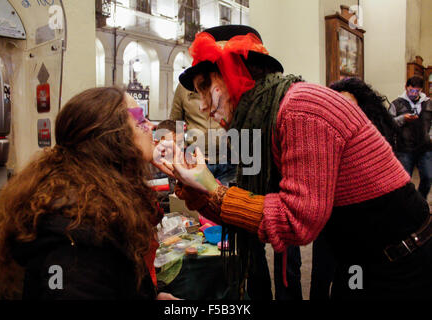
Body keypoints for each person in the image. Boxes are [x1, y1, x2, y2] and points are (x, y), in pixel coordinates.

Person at [163, 25, 431, 300]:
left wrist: (214, 189)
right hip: (359, 253)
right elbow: (257, 205)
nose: (204, 106)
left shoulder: (299, 108)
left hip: (399, 260)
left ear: (233, 73)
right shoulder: (269, 115)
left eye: (205, 87)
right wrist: (201, 191)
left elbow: (295, 221)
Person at [0, 87, 178, 300]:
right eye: (140, 120)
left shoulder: (101, 201)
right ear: (113, 139)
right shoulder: (76, 232)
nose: (151, 126)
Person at [306, 78, 401, 300]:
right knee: (320, 278)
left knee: (352, 282)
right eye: (336, 106)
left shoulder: (374, 143)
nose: (341, 113)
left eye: (349, 106)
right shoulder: (322, 138)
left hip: (361, 228)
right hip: (328, 224)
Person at [171, 83, 237, 186]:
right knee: (197, 201)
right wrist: (181, 157)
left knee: (225, 200)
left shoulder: (224, 81)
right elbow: (175, 124)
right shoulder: (183, 87)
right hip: (197, 163)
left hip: (227, 164)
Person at [389, 76, 432, 200]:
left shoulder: (428, 103)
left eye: (416, 91)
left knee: (428, 177)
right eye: (411, 91)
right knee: (404, 181)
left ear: (421, 90)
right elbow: (389, 123)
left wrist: (430, 136)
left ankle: (420, 201)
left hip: (425, 147)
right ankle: (407, 205)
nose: (413, 94)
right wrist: (403, 118)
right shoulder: (396, 104)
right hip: (404, 148)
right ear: (406, 88)